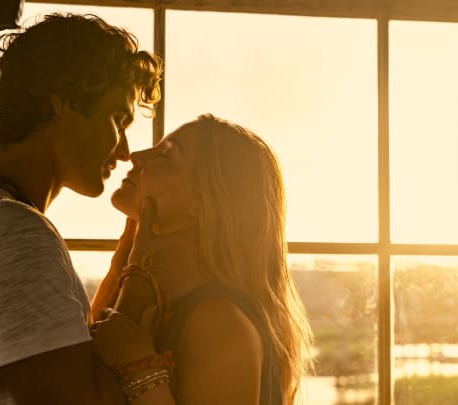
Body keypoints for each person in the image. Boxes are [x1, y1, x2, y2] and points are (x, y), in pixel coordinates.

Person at [0, 13, 162, 404]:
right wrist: (142, 366)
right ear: (62, 100)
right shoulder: (12, 235)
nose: (125, 150)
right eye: (118, 118)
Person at [90, 114, 314, 404]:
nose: (137, 156)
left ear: (204, 202)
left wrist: (137, 366)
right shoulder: (152, 297)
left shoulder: (220, 325)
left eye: (167, 155)